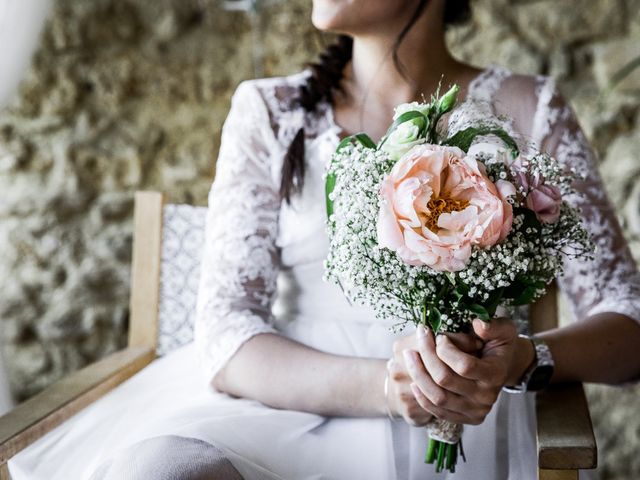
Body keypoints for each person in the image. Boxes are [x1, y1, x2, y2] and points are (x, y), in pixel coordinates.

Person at [8, 1, 640, 479]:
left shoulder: (530, 108)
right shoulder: (268, 111)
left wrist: (525, 359)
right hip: (277, 407)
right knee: (159, 469)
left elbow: (629, 322)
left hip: (462, 417)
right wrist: (387, 389)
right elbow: (226, 334)